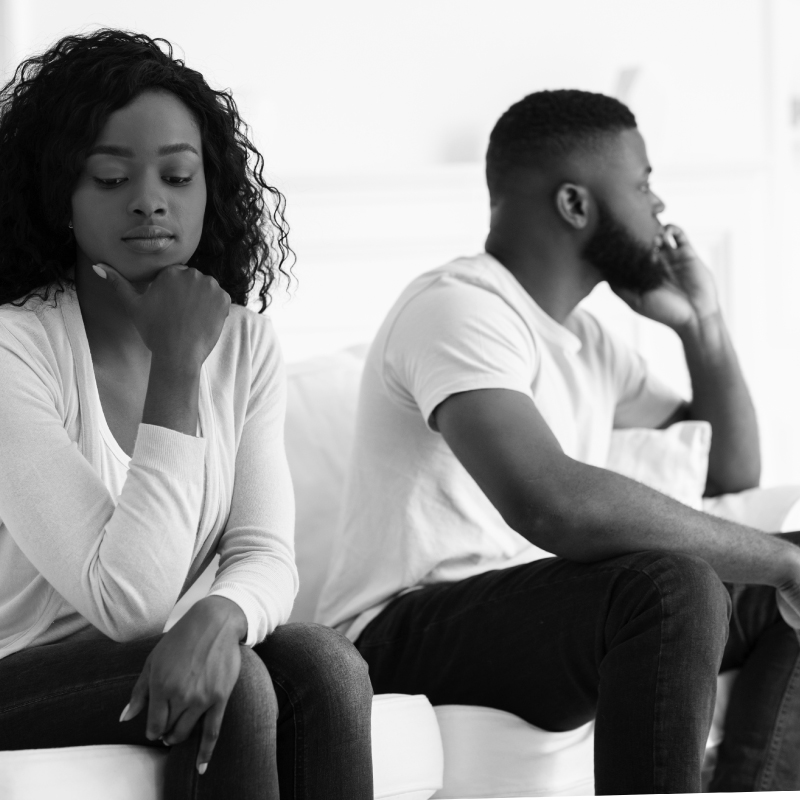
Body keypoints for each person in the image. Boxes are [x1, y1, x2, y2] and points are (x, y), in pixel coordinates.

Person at [316, 89, 800, 794]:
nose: (659, 207)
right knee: (670, 587)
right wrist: (778, 564)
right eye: (642, 184)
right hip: (400, 632)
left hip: (539, 612)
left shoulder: (589, 340)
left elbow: (728, 469)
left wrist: (704, 326)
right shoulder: (458, 308)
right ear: (575, 205)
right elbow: (551, 504)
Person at [0, 30, 373, 800]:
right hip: (22, 671)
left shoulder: (243, 343)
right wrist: (177, 365)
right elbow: (127, 603)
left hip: (157, 646)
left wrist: (220, 616)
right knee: (238, 690)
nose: (149, 199)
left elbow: (267, 554)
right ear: (59, 195)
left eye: (177, 174)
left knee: (328, 665)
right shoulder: (14, 350)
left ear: (211, 191)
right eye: (109, 177)